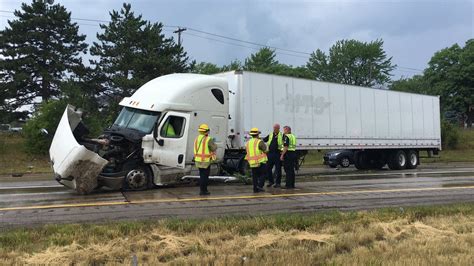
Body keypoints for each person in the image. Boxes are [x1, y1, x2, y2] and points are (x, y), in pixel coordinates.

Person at [193, 124, 217, 196]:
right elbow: (213, 148)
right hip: (205, 161)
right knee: (205, 176)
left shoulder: (197, 138)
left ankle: (202, 190)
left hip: (198, 160)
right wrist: (215, 144)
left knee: (201, 175)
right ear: (206, 131)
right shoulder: (208, 139)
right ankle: (203, 191)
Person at [245, 127, 268, 193]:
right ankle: (260, 186)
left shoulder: (248, 142)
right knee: (263, 174)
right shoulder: (259, 142)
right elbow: (265, 150)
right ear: (257, 134)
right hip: (260, 161)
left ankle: (255, 189)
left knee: (255, 176)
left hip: (252, 162)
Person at [262, 123, 283, 188]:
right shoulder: (271, 134)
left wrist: (282, 153)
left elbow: (284, 145)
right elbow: (264, 140)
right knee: (268, 168)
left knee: (278, 169)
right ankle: (271, 181)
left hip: (277, 153)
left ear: (278, 129)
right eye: (274, 128)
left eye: (276, 128)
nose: (274, 129)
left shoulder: (282, 135)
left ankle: (278, 183)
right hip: (270, 154)